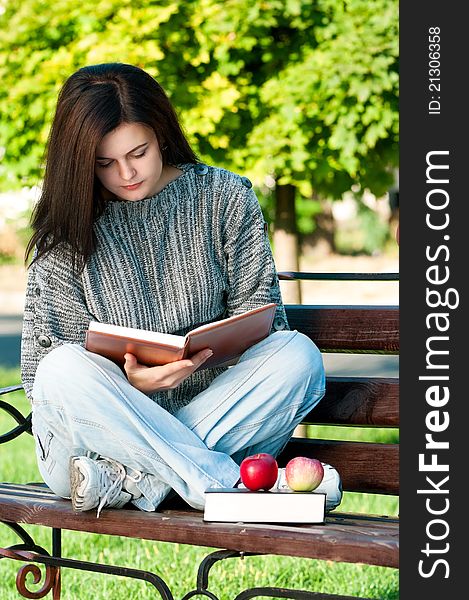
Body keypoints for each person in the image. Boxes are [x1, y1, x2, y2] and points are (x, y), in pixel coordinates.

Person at [21, 63, 342, 518]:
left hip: (116, 468)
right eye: (105, 163)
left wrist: (200, 361)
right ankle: (223, 484)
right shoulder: (67, 226)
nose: (127, 173)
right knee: (61, 367)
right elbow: (48, 384)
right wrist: (131, 384)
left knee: (297, 354)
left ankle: (140, 483)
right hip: (90, 447)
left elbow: (265, 326)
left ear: (161, 134)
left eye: (139, 152)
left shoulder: (224, 198)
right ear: (80, 160)